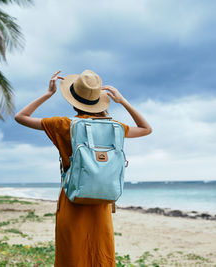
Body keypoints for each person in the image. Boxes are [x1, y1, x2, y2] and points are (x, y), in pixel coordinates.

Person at [14, 70, 152, 266]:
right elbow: (146, 129)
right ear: (99, 100)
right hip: (101, 203)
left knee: (72, 257)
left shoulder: (63, 125)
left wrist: (48, 94)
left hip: (73, 201)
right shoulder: (113, 127)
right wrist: (123, 102)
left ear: (73, 101)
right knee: (99, 256)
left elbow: (21, 117)